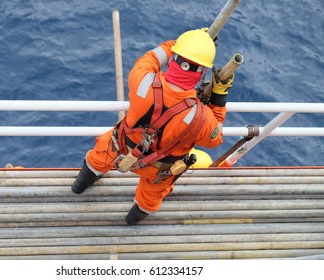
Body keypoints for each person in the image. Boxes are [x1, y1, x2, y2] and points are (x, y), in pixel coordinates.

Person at [71, 29, 234, 225]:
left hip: (119, 148)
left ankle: (79, 187)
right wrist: (219, 96)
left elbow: (151, 57)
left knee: (98, 158)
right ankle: (131, 222)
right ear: (202, 73)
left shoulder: (142, 78)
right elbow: (215, 138)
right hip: (158, 171)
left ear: (174, 57)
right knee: (151, 197)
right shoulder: (201, 118)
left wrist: (181, 42)